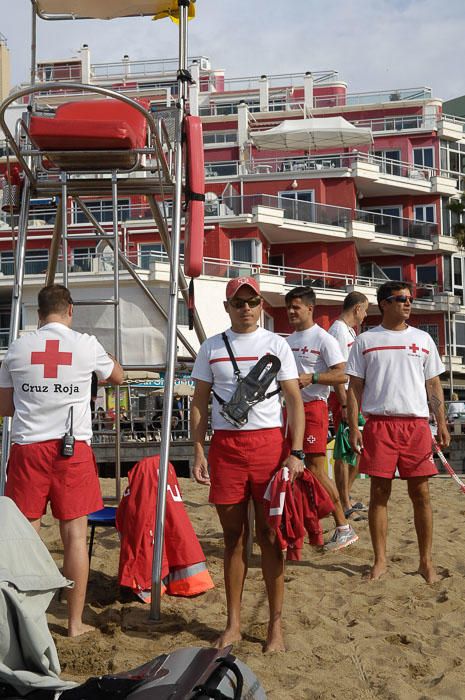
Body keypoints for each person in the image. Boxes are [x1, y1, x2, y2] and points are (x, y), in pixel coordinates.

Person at [0, 284, 124, 636]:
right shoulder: (85, 345)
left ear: (38, 314)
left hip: (28, 449)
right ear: (70, 310)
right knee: (74, 536)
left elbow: (5, 407)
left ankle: (29, 621)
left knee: (25, 536)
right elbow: (117, 376)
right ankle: (74, 622)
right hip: (72, 450)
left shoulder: (18, 348)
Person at [191, 276, 305, 652]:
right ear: (227, 307)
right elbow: (200, 402)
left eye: (252, 301)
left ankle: (275, 626)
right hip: (227, 447)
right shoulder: (210, 347)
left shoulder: (277, 345)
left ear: (260, 305)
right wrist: (197, 449)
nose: (246, 308)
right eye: (238, 302)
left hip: (269, 446)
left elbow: (293, 400)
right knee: (233, 538)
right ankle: (234, 624)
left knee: (271, 537)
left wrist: (297, 451)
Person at [346, 281, 450, 583]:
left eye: (409, 299)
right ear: (384, 304)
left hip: (416, 424)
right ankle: (380, 561)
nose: (408, 303)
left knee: (421, 494)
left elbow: (433, 384)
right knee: (379, 493)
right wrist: (354, 426)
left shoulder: (423, 339)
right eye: (400, 299)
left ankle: (425, 562)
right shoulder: (366, 340)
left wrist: (440, 422)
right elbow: (355, 388)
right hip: (379, 423)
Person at [285, 285, 358, 552]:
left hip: (314, 407)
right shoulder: (286, 341)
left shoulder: (324, 338)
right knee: (290, 469)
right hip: (289, 410)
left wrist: (313, 377)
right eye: (288, 307)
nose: (291, 311)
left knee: (315, 468)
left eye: (296, 307)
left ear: (309, 308)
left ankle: (343, 526)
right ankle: (302, 525)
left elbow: (343, 374)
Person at [328, 291, 369, 518]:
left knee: (359, 445)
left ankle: (347, 496)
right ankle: (343, 503)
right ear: (357, 308)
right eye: (365, 309)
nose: (365, 315)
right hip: (341, 395)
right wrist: (343, 403)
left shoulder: (349, 331)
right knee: (344, 451)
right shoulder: (337, 331)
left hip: (353, 395)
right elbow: (337, 370)